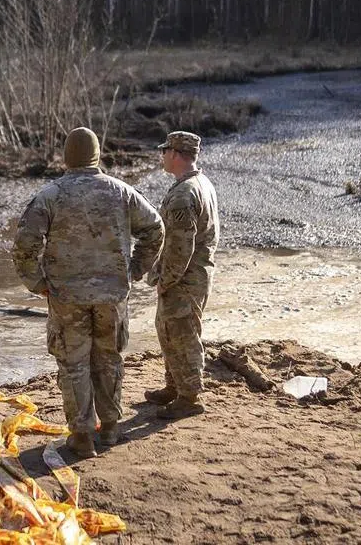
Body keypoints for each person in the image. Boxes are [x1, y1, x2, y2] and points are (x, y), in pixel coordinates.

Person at [12, 127, 164, 458]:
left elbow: (24, 245)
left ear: (67, 157)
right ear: (96, 155)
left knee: (73, 363)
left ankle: (81, 435)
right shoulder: (122, 192)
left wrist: (37, 283)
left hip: (67, 297)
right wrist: (135, 270)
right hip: (112, 295)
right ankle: (109, 427)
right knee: (108, 358)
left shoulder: (50, 195)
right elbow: (155, 229)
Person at [145, 131, 219, 420]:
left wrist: (166, 279)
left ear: (175, 154)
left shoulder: (185, 193)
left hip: (185, 278)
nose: (162, 155)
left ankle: (189, 397)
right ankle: (174, 386)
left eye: (165, 151)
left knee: (183, 333)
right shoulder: (198, 183)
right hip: (195, 274)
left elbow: (180, 248)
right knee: (169, 330)